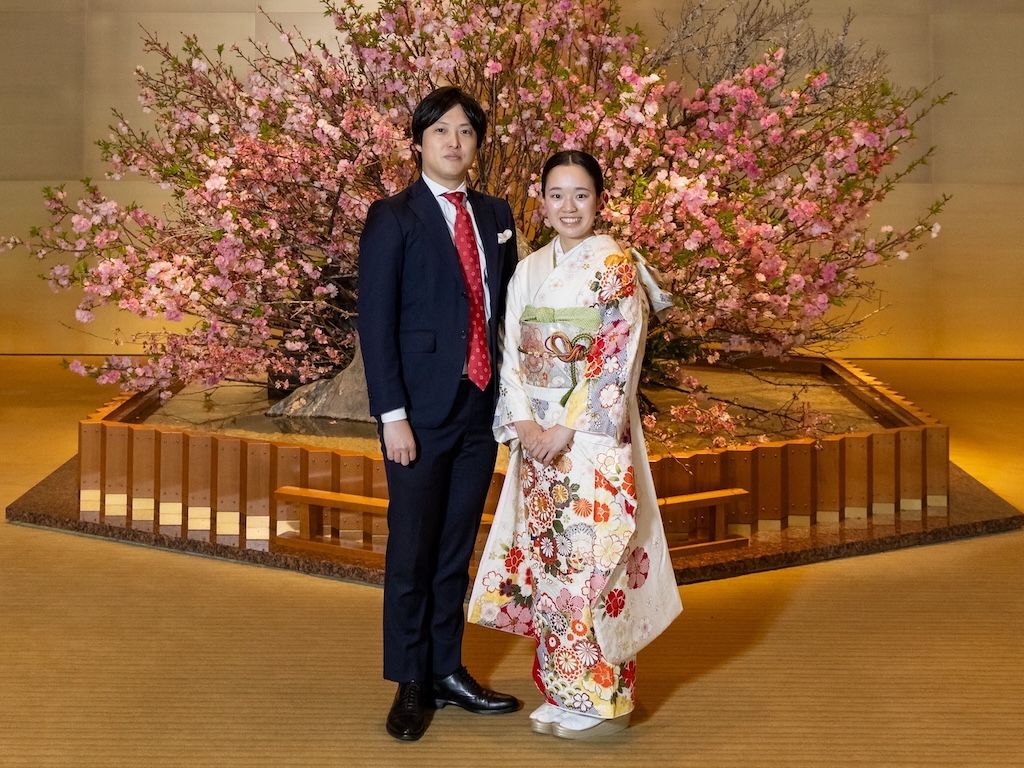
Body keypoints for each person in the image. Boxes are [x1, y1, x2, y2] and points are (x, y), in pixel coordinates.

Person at [468, 150, 682, 739]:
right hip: (537, 441)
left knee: (593, 561)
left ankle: (604, 699)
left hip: (588, 442)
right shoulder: (530, 268)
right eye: (557, 195)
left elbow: (616, 357)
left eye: (581, 195)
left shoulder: (614, 265)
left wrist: (565, 425)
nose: (569, 207)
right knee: (551, 562)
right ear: (541, 201)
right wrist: (523, 426)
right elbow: (511, 354)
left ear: (599, 200)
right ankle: (564, 690)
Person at [357, 86, 521, 742]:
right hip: (418, 414)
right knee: (413, 549)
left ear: (477, 144)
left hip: (479, 406)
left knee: (457, 545)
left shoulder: (496, 213)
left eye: (466, 132)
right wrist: (391, 415)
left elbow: (509, 307)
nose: (455, 143)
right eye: (441, 132)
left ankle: (448, 668)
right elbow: (376, 323)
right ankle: (409, 680)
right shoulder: (391, 217)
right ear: (419, 142)